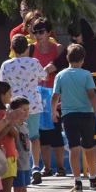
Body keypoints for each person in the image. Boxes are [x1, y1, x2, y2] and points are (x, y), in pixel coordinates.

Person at [52, 44, 96, 192]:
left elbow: (55, 96)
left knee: (74, 148)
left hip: (68, 116)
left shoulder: (60, 75)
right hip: (86, 114)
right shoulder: (86, 74)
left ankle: (77, 182)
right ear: (82, 60)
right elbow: (91, 95)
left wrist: (53, 112)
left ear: (67, 58)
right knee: (89, 148)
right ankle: (92, 178)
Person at [0, 34, 46, 183]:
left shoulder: (6, 65)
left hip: (14, 104)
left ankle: (20, 165)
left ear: (12, 48)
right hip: (32, 103)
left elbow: (2, 83)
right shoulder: (34, 62)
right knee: (34, 136)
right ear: (27, 47)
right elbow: (44, 76)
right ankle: (36, 166)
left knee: (16, 136)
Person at [30, 17, 66, 178]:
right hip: (37, 94)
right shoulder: (31, 49)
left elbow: (63, 68)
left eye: (41, 32)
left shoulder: (57, 48)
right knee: (41, 134)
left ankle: (60, 167)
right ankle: (46, 167)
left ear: (49, 32)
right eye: (35, 32)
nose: (38, 35)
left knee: (56, 131)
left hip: (54, 94)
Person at [8, 96, 38, 192]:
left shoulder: (25, 125)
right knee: (18, 189)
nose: (26, 112)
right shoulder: (12, 125)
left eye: (27, 109)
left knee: (24, 189)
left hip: (26, 161)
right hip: (18, 162)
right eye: (23, 110)